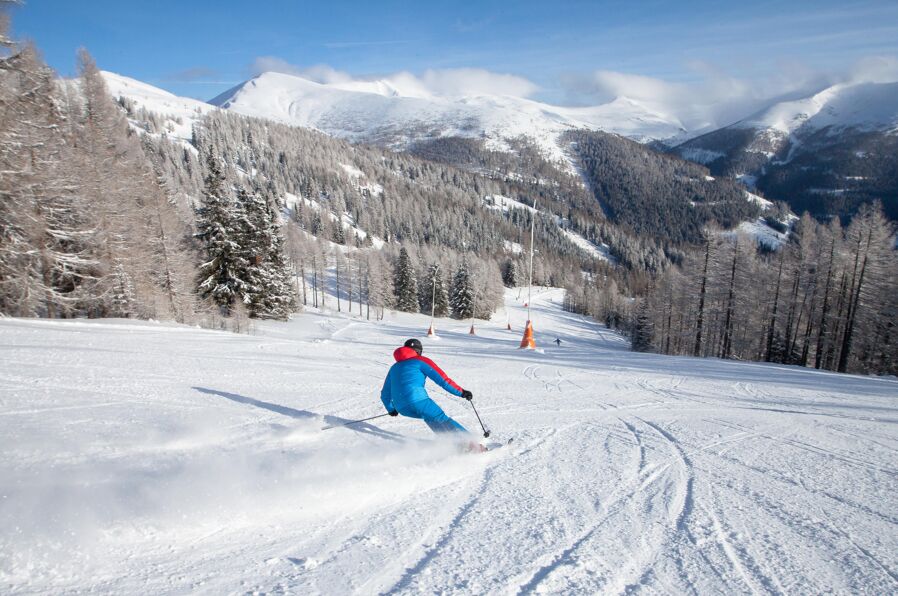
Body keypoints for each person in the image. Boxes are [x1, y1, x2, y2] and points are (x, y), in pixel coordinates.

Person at [380, 338, 477, 439]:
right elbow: (443, 380)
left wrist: (391, 409)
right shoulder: (421, 361)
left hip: (402, 408)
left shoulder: (394, 367)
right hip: (417, 400)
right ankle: (471, 443)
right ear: (419, 351)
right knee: (441, 418)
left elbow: (385, 394)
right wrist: (461, 392)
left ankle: (451, 444)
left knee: (430, 417)